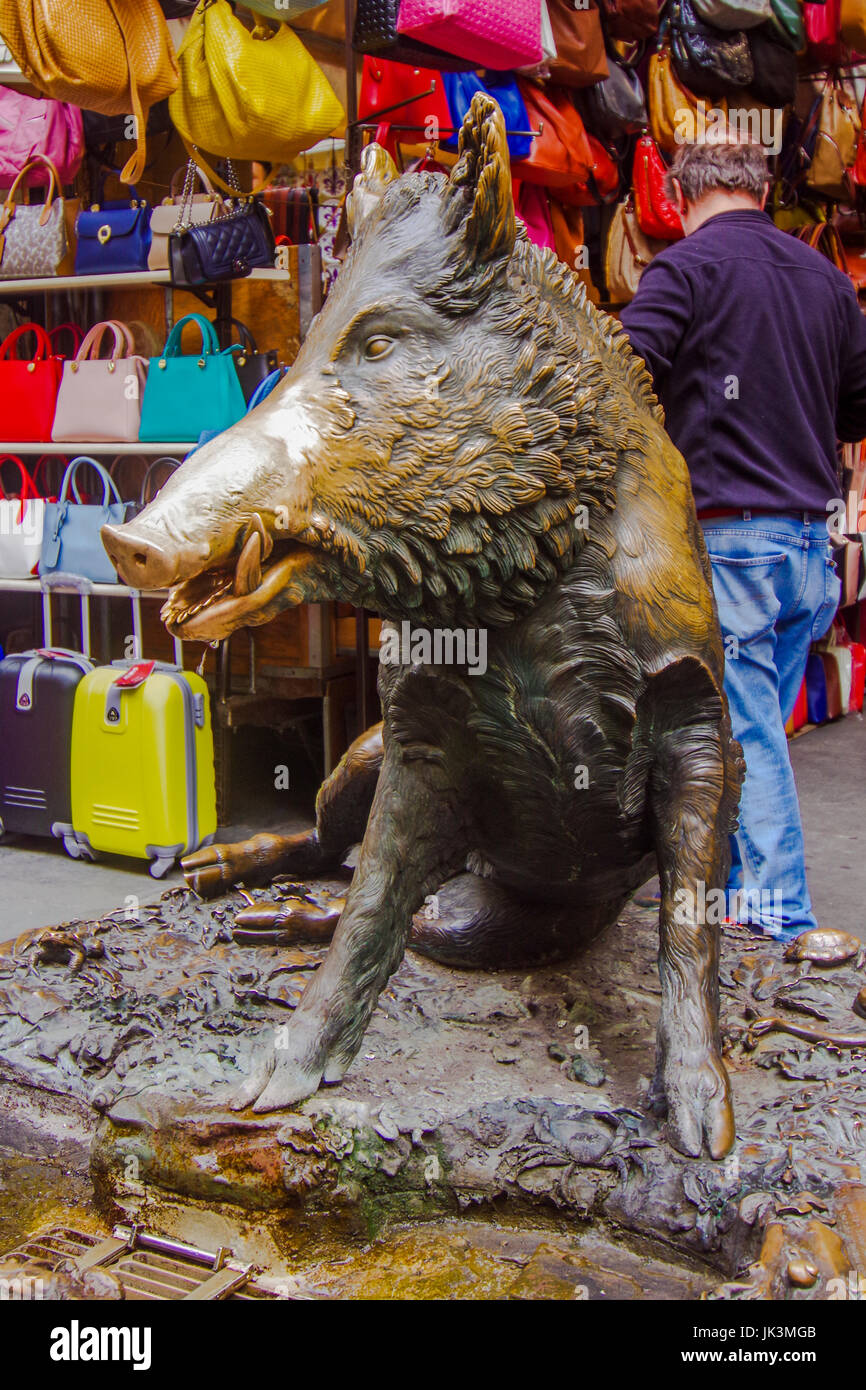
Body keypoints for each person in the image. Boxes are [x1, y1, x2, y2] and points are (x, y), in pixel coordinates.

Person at [619, 138, 866, 940]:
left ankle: (787, 923)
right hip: (810, 553)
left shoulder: (686, 269)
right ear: (760, 189)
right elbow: (860, 407)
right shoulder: (828, 281)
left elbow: (625, 368)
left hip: (735, 548)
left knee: (746, 733)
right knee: (741, 737)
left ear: (682, 195)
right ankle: (716, 899)